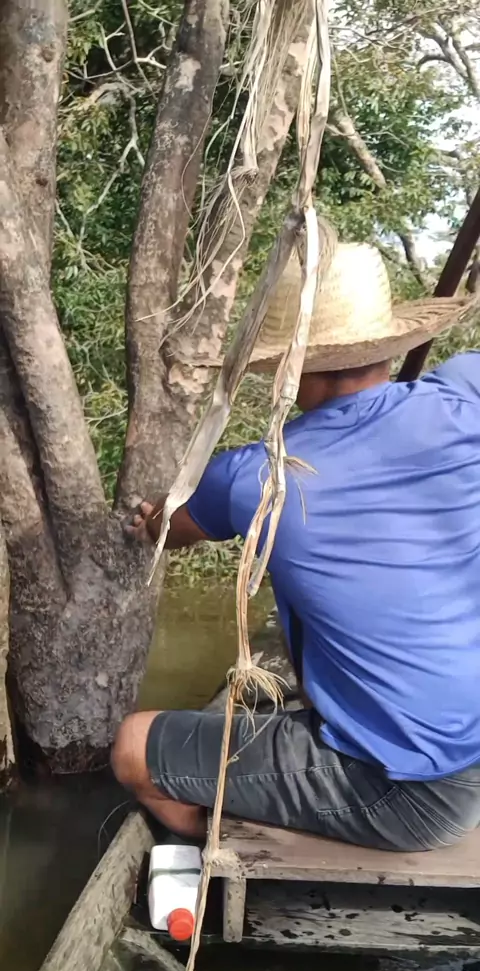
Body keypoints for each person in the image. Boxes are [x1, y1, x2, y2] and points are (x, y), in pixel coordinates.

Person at [112, 230, 480, 852]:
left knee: (132, 747)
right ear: (387, 342)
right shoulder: (465, 394)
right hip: (467, 751)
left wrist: (151, 520)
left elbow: (171, 530)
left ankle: (239, 837)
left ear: (290, 365)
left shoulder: (258, 476)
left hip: (413, 794)